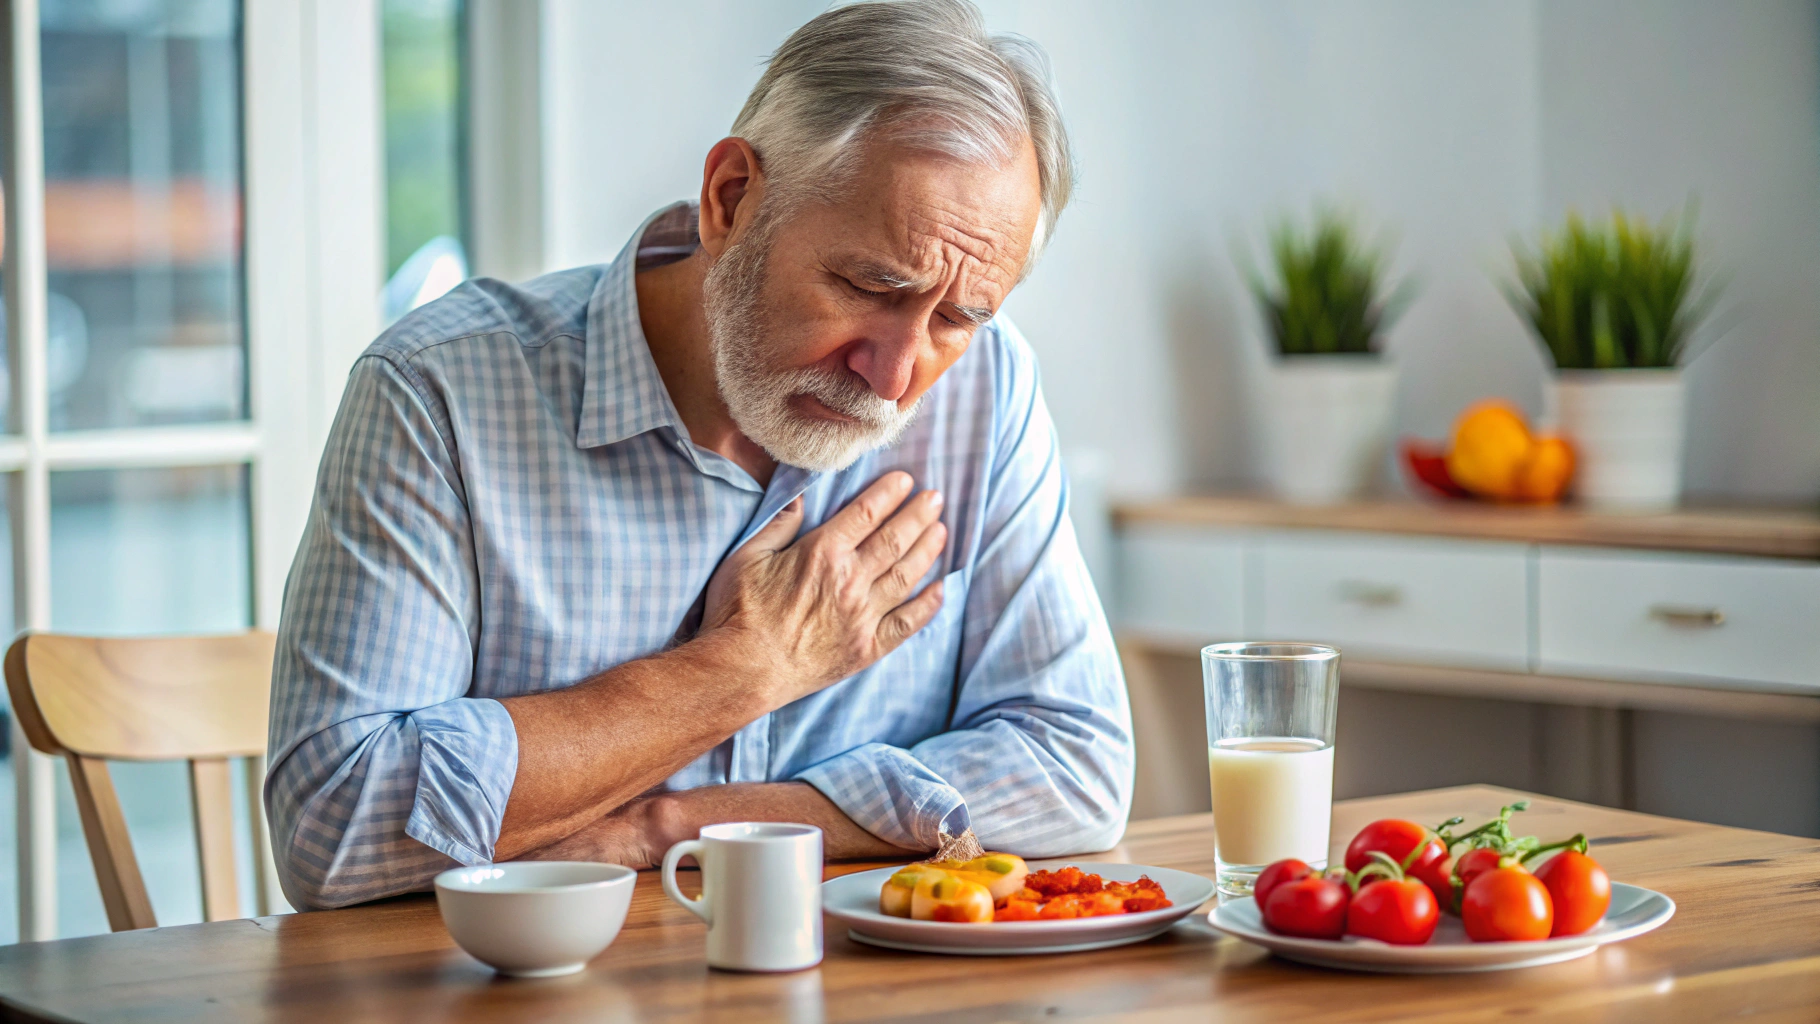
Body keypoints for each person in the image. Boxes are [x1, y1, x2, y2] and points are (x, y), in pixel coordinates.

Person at [265, 0, 1132, 909]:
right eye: (869, 285)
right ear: (731, 198)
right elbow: (331, 826)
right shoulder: (439, 391)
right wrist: (745, 669)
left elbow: (1077, 764)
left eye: (956, 317)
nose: (894, 377)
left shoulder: (987, 389)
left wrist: (676, 824)